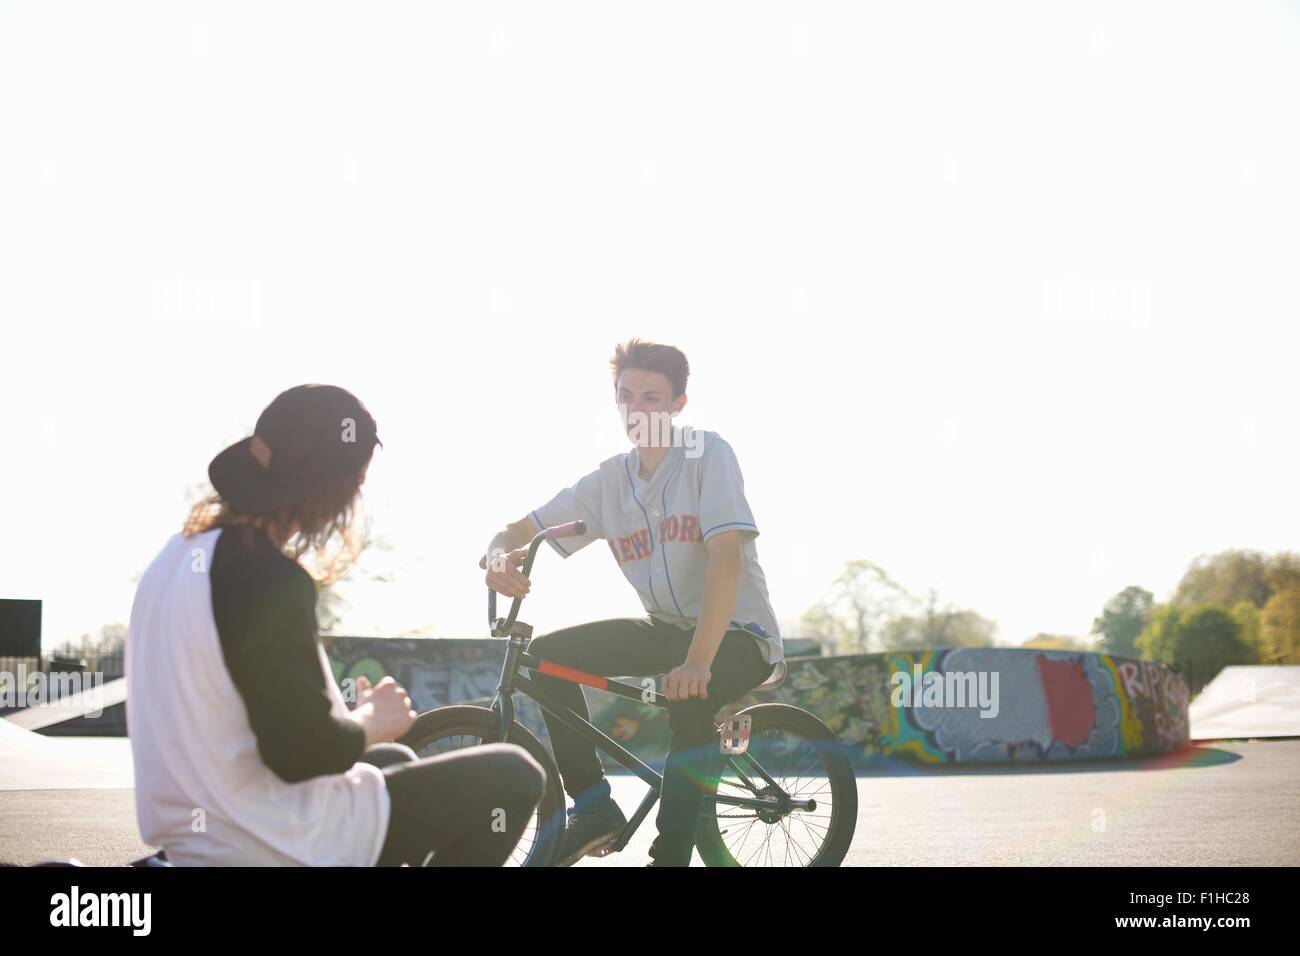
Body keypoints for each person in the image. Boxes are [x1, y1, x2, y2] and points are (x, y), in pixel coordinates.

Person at [127, 384, 544, 866]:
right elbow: (301, 753)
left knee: (392, 764)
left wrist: (359, 730)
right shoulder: (267, 577)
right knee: (514, 777)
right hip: (268, 842)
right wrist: (373, 720)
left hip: (194, 838)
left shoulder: (175, 560)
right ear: (334, 491)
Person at [483, 339, 785, 867]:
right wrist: (496, 559)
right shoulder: (608, 483)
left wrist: (698, 661)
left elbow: (727, 562)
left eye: (652, 397)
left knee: (690, 700)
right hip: (666, 628)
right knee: (548, 661)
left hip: (738, 635)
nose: (637, 409)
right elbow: (516, 530)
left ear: (678, 404)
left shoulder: (707, 454)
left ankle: (668, 858)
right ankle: (595, 808)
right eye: (627, 396)